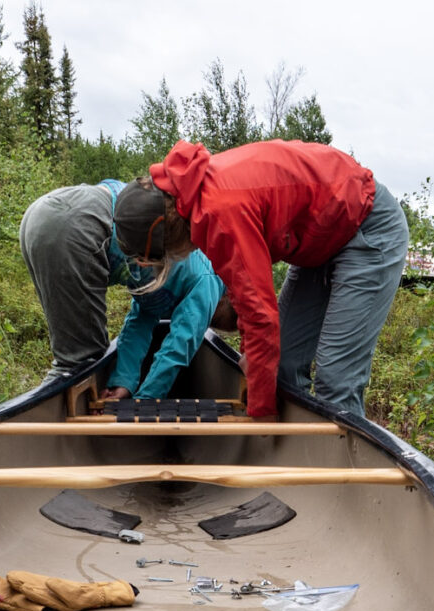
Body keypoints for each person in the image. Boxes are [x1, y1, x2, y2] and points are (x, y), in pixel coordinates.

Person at [111, 140, 408, 420]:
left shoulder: (219, 211)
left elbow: (260, 318)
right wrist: (253, 365)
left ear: (167, 235)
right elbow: (246, 297)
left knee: (336, 379)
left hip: (365, 223)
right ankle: (295, 455)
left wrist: (261, 414)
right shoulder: (197, 199)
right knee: (284, 368)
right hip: (318, 242)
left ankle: (342, 473)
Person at [19, 178, 227, 401]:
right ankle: (37, 421)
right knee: (82, 364)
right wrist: (145, 401)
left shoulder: (175, 282)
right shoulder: (210, 281)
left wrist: (123, 382)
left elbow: (140, 321)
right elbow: (179, 346)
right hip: (84, 224)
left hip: (45, 212)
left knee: (75, 359)